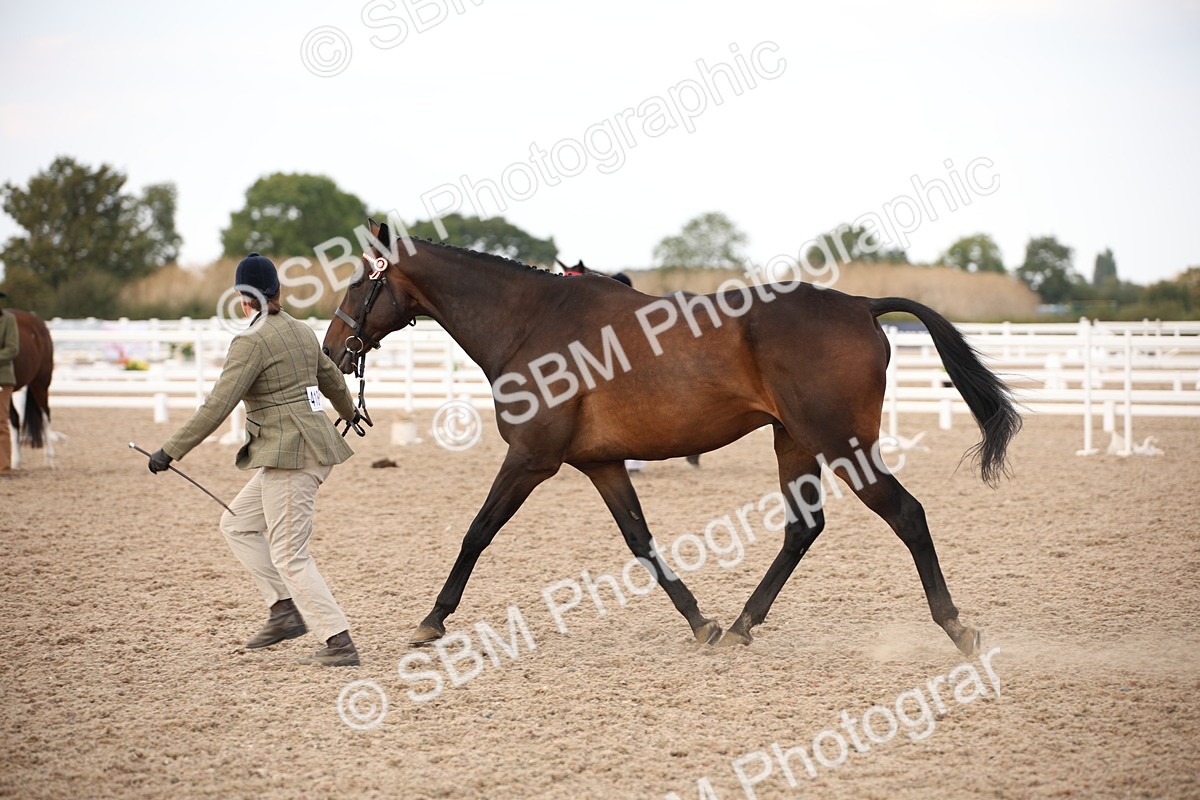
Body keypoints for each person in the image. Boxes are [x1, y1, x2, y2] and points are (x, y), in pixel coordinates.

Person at [147, 254, 364, 667]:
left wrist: (169, 450)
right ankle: (283, 610)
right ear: (277, 291)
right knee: (238, 523)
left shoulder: (250, 341)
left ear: (242, 298)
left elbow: (217, 405)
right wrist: (351, 412)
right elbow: (332, 378)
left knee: (288, 553)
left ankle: (338, 641)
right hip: (306, 449)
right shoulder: (300, 330)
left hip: (292, 456)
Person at [0, 291, 18, 478]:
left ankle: (4, 467)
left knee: (0, 421)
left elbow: (12, 348)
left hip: (1, 376)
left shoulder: (8, 320)